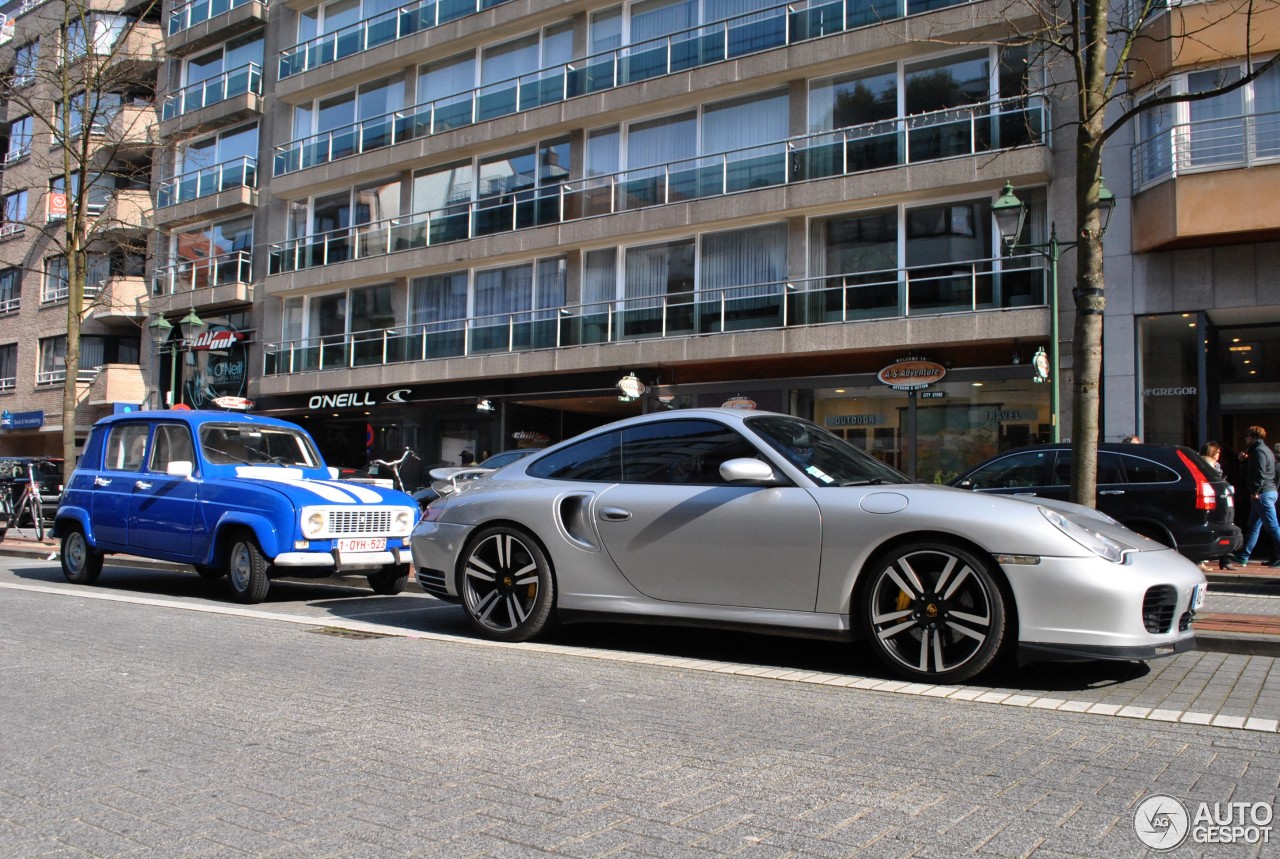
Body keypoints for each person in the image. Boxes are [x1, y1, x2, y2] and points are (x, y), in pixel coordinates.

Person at [1226, 426, 1280, 568]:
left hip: (1262, 493)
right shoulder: (1264, 450)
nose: (1245, 439)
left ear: (1253, 436)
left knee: (1272, 526)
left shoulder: (1259, 451)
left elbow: (1260, 472)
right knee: (1254, 526)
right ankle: (1243, 556)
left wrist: (1255, 490)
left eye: (1247, 436)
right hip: (1267, 492)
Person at [1199, 442, 1234, 571]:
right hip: (1209, 499)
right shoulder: (1204, 463)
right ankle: (1201, 560)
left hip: (1218, 499)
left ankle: (1225, 559)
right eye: (1218, 452)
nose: (1219, 454)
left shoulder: (1216, 465)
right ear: (1212, 452)